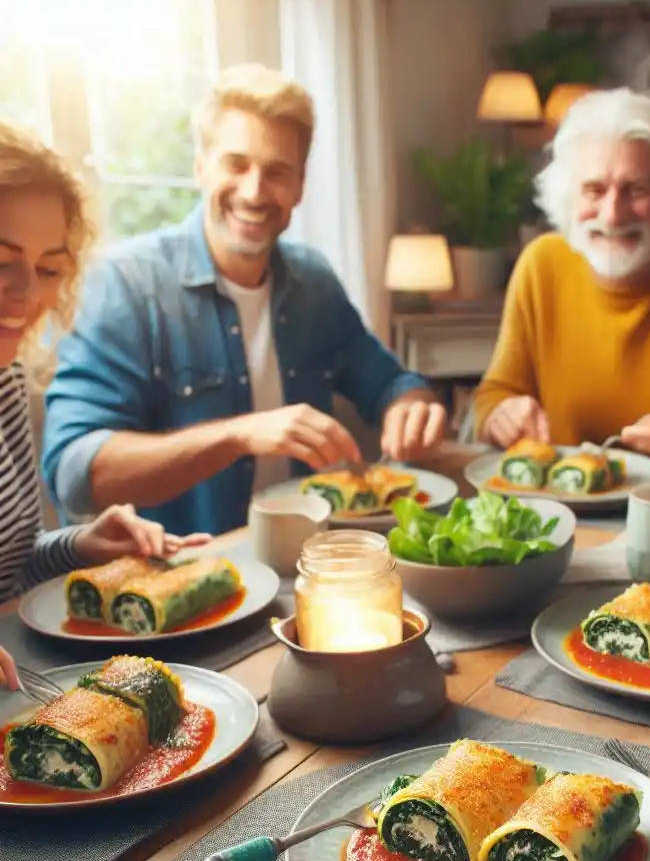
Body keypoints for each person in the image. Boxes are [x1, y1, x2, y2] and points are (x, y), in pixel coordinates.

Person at [41, 64, 447, 537]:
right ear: (200, 166)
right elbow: (74, 475)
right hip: (178, 581)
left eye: (277, 172)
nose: (254, 192)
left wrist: (410, 404)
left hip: (309, 563)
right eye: (236, 164)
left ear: (300, 187)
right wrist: (239, 435)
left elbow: (390, 383)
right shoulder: (125, 283)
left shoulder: (313, 282)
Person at [0, 122, 208, 687]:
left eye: (48, 269)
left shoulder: (8, 378)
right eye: (2, 259)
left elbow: (9, 570)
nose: (27, 292)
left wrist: (79, 545)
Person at [473, 87, 650, 478]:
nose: (612, 215)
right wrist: (500, 416)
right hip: (558, 507)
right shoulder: (541, 264)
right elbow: (495, 394)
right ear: (568, 196)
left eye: (637, 189)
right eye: (594, 190)